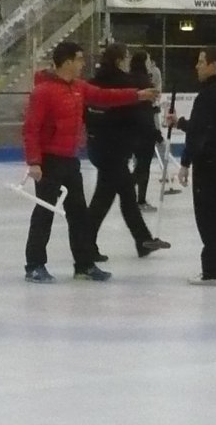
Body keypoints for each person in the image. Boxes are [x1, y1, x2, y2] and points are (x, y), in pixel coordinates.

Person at [21, 40, 156, 282]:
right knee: (45, 212)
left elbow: (105, 97)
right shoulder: (43, 92)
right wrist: (34, 161)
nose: (84, 64)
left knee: (79, 214)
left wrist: (137, 95)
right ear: (68, 61)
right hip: (49, 161)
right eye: (80, 59)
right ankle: (34, 265)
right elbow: (31, 128)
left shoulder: (78, 87)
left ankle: (84, 265)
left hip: (70, 160)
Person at [85, 43, 168, 260]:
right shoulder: (126, 84)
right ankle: (84, 243)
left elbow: (88, 114)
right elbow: (139, 116)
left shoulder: (93, 83)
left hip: (97, 147)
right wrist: (152, 134)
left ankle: (142, 241)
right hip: (116, 149)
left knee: (120, 196)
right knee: (107, 198)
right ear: (119, 60)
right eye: (126, 56)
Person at [173, 46, 216, 284]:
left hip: (210, 161)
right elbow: (213, 126)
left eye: (202, 62)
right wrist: (181, 123)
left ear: (214, 65)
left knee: (208, 214)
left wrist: (185, 162)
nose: (197, 66)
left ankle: (212, 270)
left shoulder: (207, 95)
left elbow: (201, 132)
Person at [129, 49, 163, 210]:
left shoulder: (129, 79)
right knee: (143, 166)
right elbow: (145, 111)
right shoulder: (144, 82)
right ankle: (135, 196)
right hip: (144, 131)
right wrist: (155, 132)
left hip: (131, 130)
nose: (150, 63)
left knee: (140, 165)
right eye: (148, 60)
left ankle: (136, 198)